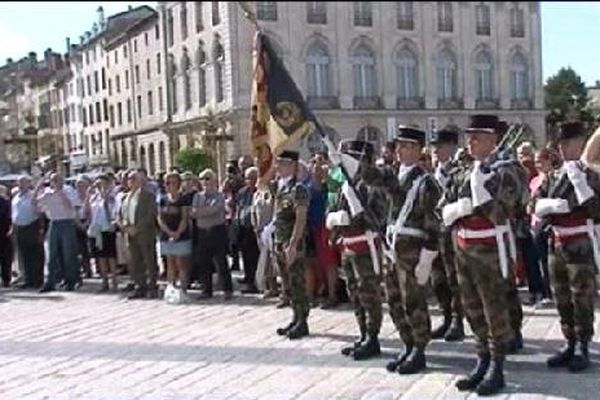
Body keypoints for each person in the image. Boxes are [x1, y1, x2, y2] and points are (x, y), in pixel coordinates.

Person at [441, 115, 524, 395]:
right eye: (469, 136)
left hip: (491, 250)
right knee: (472, 308)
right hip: (463, 248)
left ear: (493, 140)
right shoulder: (462, 169)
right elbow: (444, 207)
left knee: (494, 311)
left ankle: (497, 367)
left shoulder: (507, 170)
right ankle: (482, 360)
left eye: (477, 137)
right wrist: (458, 209)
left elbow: (502, 215)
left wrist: (481, 194)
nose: (471, 141)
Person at [362, 126, 441, 375]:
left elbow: (434, 224)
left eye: (408, 146)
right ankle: (407, 343)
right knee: (395, 300)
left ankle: (419, 349)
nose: (402, 151)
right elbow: (370, 176)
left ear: (419, 151)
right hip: (393, 249)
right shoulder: (394, 176)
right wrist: (345, 161)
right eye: (399, 146)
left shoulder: (426, 182)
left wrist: (427, 258)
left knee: (413, 302)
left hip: (414, 252)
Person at [533, 121, 599, 373]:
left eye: (567, 143)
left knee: (581, 297)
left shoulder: (591, 174)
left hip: (580, 243)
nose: (562, 149)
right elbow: (533, 204)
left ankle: (583, 346)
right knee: (561, 297)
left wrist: (583, 188)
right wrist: (550, 206)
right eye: (559, 144)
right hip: (556, 243)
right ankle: (569, 343)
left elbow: (596, 210)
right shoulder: (553, 175)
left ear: (581, 144)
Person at [327, 140, 385, 360]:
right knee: (355, 292)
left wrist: (356, 208)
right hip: (349, 246)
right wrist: (334, 220)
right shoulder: (346, 184)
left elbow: (376, 218)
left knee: (369, 293)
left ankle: (373, 338)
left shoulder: (371, 185)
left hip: (365, 246)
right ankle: (363, 334)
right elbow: (335, 210)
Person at [430, 127, 465, 342]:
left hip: (452, 231)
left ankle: (457, 321)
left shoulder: (460, 171)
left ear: (451, 148)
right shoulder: (434, 172)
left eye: (440, 147)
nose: (436, 151)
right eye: (435, 147)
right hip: (435, 232)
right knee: (438, 279)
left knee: (454, 278)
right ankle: (445, 316)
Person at [272, 151, 311, 340]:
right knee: (287, 283)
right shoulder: (281, 188)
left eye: (283, 163)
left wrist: (293, 244)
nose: (278, 166)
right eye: (278, 163)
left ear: (294, 166)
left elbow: (301, 218)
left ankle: (302, 321)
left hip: (292, 242)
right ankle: (295, 318)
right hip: (280, 241)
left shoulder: (299, 189)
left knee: (297, 283)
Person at [33, 172, 80, 292]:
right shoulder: (47, 193)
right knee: (52, 254)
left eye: (58, 179)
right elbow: (34, 204)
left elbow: (71, 206)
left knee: (69, 253)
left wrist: (60, 193)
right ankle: (50, 282)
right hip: (54, 223)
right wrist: (38, 188)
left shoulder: (68, 190)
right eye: (53, 180)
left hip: (67, 222)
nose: (56, 182)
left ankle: (72, 280)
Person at [192, 169, 233, 300]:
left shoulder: (219, 196)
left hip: (217, 230)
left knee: (221, 261)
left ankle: (227, 289)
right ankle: (206, 290)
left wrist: (201, 211)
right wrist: (204, 211)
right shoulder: (197, 196)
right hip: (202, 231)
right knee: (204, 262)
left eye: (208, 179)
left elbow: (215, 210)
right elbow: (193, 213)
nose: (205, 182)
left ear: (214, 181)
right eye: (203, 179)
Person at [119, 170, 159, 299]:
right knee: (135, 262)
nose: (131, 181)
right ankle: (139, 286)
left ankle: (152, 287)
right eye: (129, 179)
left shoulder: (148, 196)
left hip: (144, 234)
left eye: (133, 179)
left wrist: (137, 228)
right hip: (130, 234)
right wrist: (124, 227)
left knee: (149, 261)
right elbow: (120, 215)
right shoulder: (125, 197)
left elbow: (150, 215)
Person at [157, 172, 192, 303]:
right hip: (166, 235)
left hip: (181, 235)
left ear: (178, 184)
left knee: (182, 263)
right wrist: (168, 232)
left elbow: (184, 217)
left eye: (171, 183)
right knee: (170, 263)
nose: (168, 186)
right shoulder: (162, 199)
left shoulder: (183, 199)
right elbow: (160, 217)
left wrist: (177, 233)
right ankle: (171, 288)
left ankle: (183, 289)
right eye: (166, 183)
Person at [86, 175, 119, 292]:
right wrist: (88, 195)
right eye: (99, 184)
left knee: (110, 256)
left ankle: (114, 281)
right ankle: (104, 281)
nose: (101, 187)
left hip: (107, 228)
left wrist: (105, 198)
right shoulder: (94, 197)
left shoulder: (111, 197)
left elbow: (110, 212)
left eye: (103, 184)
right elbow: (88, 212)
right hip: (96, 229)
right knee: (100, 256)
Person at [10, 175, 43, 288]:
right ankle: (27, 279)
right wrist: (12, 228)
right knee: (23, 255)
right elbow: (14, 215)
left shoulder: (33, 196)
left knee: (35, 254)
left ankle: (37, 280)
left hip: (32, 226)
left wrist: (41, 230)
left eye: (23, 182)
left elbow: (40, 213)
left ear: (29, 183)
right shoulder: (15, 198)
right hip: (19, 228)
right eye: (19, 183)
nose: (21, 185)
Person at [235, 167, 260, 294]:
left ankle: (256, 281)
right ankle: (248, 278)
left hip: (255, 227)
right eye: (248, 178)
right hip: (243, 226)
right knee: (245, 255)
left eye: (253, 178)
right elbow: (239, 207)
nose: (250, 181)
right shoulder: (242, 192)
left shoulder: (260, 191)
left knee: (255, 256)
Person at [0, 186, 11, 287]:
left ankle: (6, 279)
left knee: (4, 256)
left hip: (3, 231)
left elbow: (4, 214)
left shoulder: (4, 201)